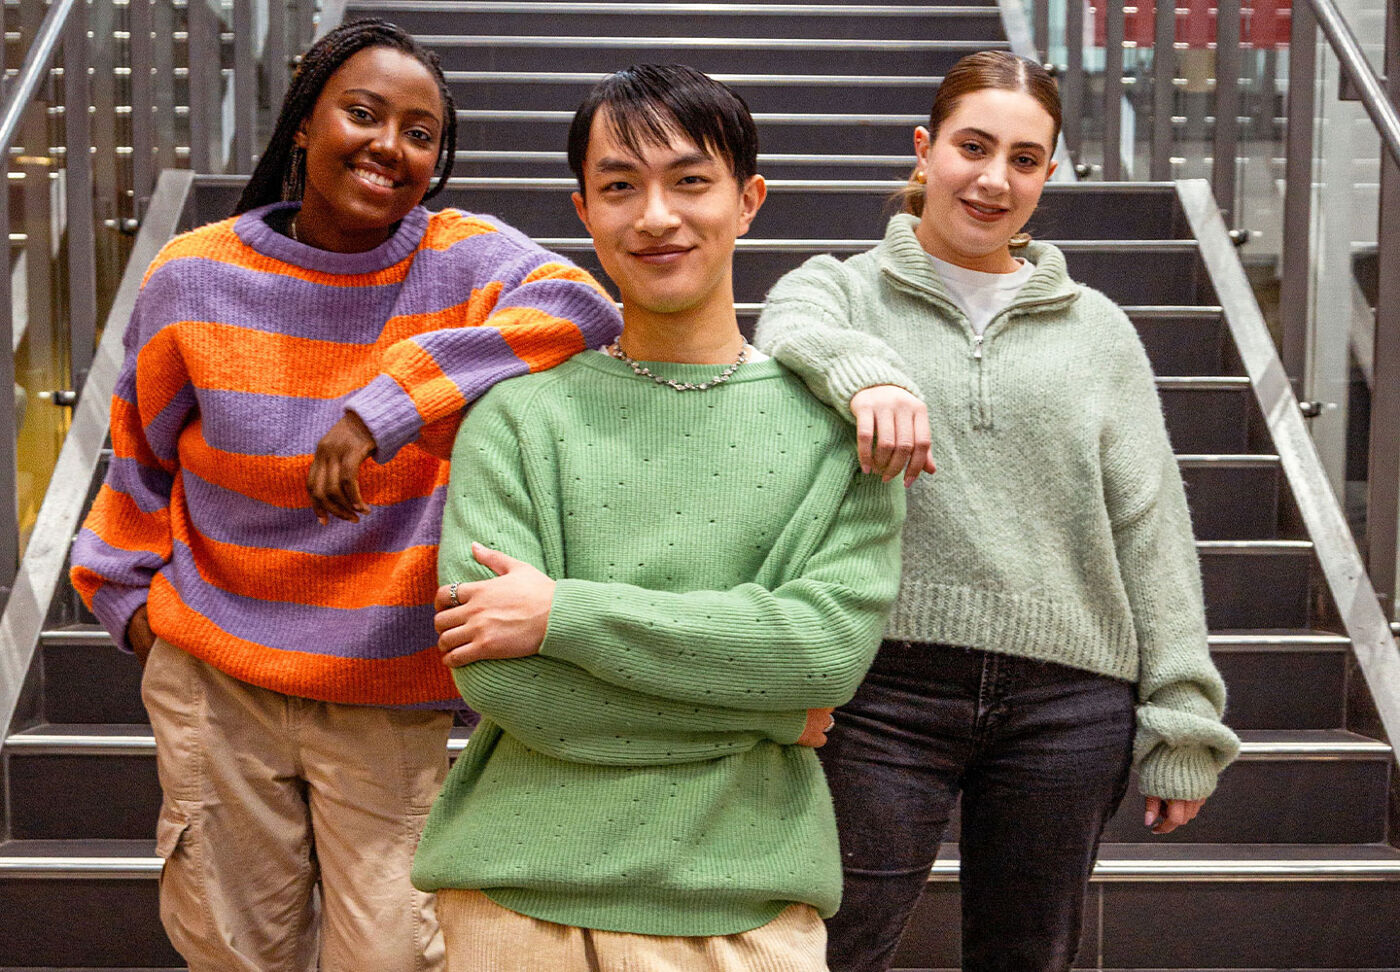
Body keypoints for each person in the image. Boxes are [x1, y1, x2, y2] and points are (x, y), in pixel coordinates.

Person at [69, 19, 620, 972]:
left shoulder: (461, 259)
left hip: (384, 685)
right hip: (216, 676)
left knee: (393, 957)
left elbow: (582, 307)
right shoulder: (194, 274)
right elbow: (136, 458)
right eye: (362, 115)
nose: (389, 148)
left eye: (420, 133)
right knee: (234, 952)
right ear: (303, 124)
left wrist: (390, 403)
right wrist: (128, 604)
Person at [410, 63, 906, 970]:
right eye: (619, 187)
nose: (655, 216)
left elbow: (822, 654)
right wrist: (763, 715)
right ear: (583, 210)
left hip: (745, 908)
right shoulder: (516, 419)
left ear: (748, 199)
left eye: (689, 181)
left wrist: (565, 617)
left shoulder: (846, 432)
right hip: (513, 900)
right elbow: (501, 684)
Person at [754, 50, 1241, 972]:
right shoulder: (844, 287)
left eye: (1024, 158)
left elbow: (1151, 526)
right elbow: (789, 325)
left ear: (1048, 172)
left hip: (1069, 702)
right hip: (881, 689)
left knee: (1030, 959)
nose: (993, 179)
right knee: (833, 949)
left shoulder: (1098, 330)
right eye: (972, 147)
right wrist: (870, 378)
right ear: (924, 149)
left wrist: (1182, 715)